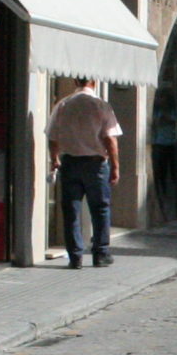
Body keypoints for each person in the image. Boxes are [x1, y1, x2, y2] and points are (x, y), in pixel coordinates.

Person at [48, 77, 122, 268]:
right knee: (100, 209)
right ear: (94, 82)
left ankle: (75, 257)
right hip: (95, 164)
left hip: (70, 163)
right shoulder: (100, 105)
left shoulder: (63, 105)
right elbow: (110, 140)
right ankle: (100, 253)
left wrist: (54, 158)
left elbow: (52, 135)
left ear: (75, 81)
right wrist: (115, 166)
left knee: (71, 210)